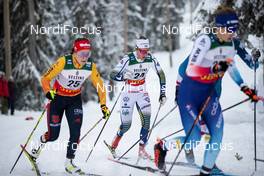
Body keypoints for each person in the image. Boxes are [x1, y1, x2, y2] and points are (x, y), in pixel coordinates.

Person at [154, 6, 261, 175]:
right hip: (190, 94)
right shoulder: (205, 42)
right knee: (196, 136)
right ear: (219, 27)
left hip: (211, 92)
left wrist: (246, 89)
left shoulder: (231, 43)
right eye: (230, 29)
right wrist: (177, 90)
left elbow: (233, 67)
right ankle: (164, 146)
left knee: (216, 135)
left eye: (235, 29)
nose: (233, 33)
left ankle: (207, 167)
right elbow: (188, 69)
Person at [29, 38, 110, 175]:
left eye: (87, 54)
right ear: (75, 52)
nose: (84, 58)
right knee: (53, 135)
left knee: (76, 133)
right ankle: (36, 149)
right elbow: (45, 78)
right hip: (58, 99)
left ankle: (69, 163)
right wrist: (48, 92)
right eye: (81, 54)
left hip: (74, 100)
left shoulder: (90, 66)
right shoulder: (63, 62)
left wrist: (103, 105)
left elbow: (100, 86)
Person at [106, 36, 167, 159]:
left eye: (147, 50)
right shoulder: (128, 58)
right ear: (137, 49)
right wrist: (123, 77)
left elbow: (161, 75)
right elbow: (112, 74)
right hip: (128, 93)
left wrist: (162, 93)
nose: (145, 54)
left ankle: (141, 149)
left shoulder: (150, 58)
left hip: (142, 92)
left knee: (147, 121)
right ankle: (113, 145)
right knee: (126, 125)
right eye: (143, 51)